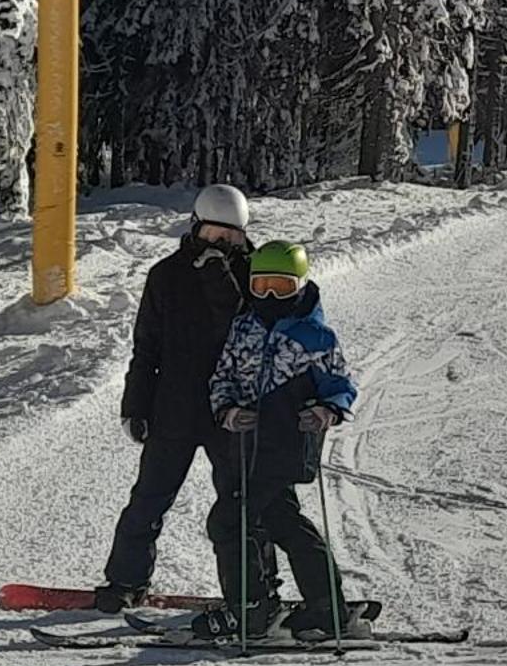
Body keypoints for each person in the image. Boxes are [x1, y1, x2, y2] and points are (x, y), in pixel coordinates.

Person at [95, 185, 253, 613]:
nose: (223, 246)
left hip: (231, 411)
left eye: (232, 238)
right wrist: (135, 405)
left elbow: (245, 330)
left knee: (241, 503)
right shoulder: (166, 275)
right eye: (216, 236)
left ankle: (250, 590)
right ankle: (125, 581)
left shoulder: (253, 277)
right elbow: (147, 347)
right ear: (196, 227)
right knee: (149, 497)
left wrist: (220, 276)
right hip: (175, 409)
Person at [199, 240, 358, 641]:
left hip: (288, 442)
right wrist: (229, 411)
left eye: (282, 287)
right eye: (262, 286)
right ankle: (327, 608)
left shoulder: (315, 336)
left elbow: (340, 385)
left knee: (230, 520)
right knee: (282, 520)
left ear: (301, 286)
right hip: (249, 446)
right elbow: (223, 377)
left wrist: (326, 411)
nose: (270, 296)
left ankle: (251, 610)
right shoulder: (244, 326)